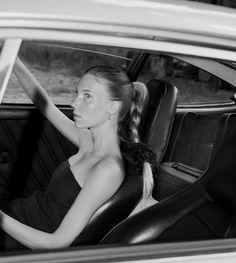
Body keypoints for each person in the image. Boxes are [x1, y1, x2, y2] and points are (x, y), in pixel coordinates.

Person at [0, 57, 158, 251]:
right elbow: (45, 105)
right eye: (77, 93)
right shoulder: (88, 140)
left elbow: (57, 242)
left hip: (21, 239)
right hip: (17, 213)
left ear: (112, 107)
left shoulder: (108, 169)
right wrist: (13, 59)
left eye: (87, 96)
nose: (74, 103)